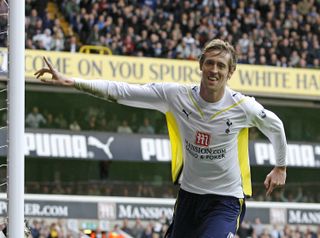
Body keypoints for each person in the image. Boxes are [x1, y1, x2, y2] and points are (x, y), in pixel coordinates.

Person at [34, 39, 287, 238]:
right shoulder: (175, 95)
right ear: (200, 64)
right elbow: (122, 91)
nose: (214, 70)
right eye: (210, 63)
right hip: (189, 196)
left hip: (226, 200)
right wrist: (73, 81)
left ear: (230, 72)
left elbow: (275, 125)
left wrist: (280, 166)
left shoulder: (243, 106)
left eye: (221, 66)